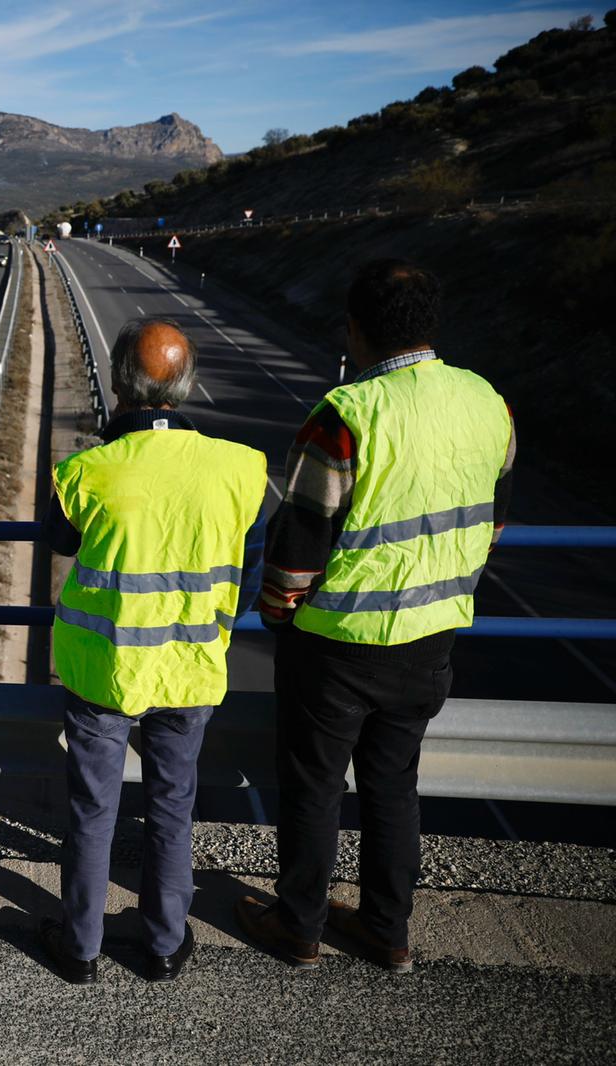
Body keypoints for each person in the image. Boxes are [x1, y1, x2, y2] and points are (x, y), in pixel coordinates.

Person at [238, 259, 515, 974]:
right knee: (393, 788)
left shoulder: (344, 416)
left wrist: (278, 613)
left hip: (337, 644)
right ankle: (387, 932)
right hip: (433, 636)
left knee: (314, 788)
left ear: (355, 330)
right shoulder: (490, 403)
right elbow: (493, 521)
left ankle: (298, 926)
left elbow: (300, 542)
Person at [39, 319, 269, 984]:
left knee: (93, 810)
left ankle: (80, 949)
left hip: (103, 671)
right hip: (191, 666)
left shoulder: (86, 471)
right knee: (172, 805)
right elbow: (251, 574)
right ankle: (165, 944)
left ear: (118, 383)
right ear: (187, 385)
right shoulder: (241, 469)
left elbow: (59, 540)